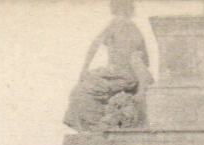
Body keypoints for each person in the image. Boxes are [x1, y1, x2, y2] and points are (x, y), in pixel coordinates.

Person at [63, 0, 153, 131]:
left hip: (119, 76)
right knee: (82, 91)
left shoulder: (117, 23)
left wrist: (84, 69)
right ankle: (94, 126)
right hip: (126, 75)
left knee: (80, 92)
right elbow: (146, 60)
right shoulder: (135, 29)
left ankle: (93, 127)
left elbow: (94, 45)